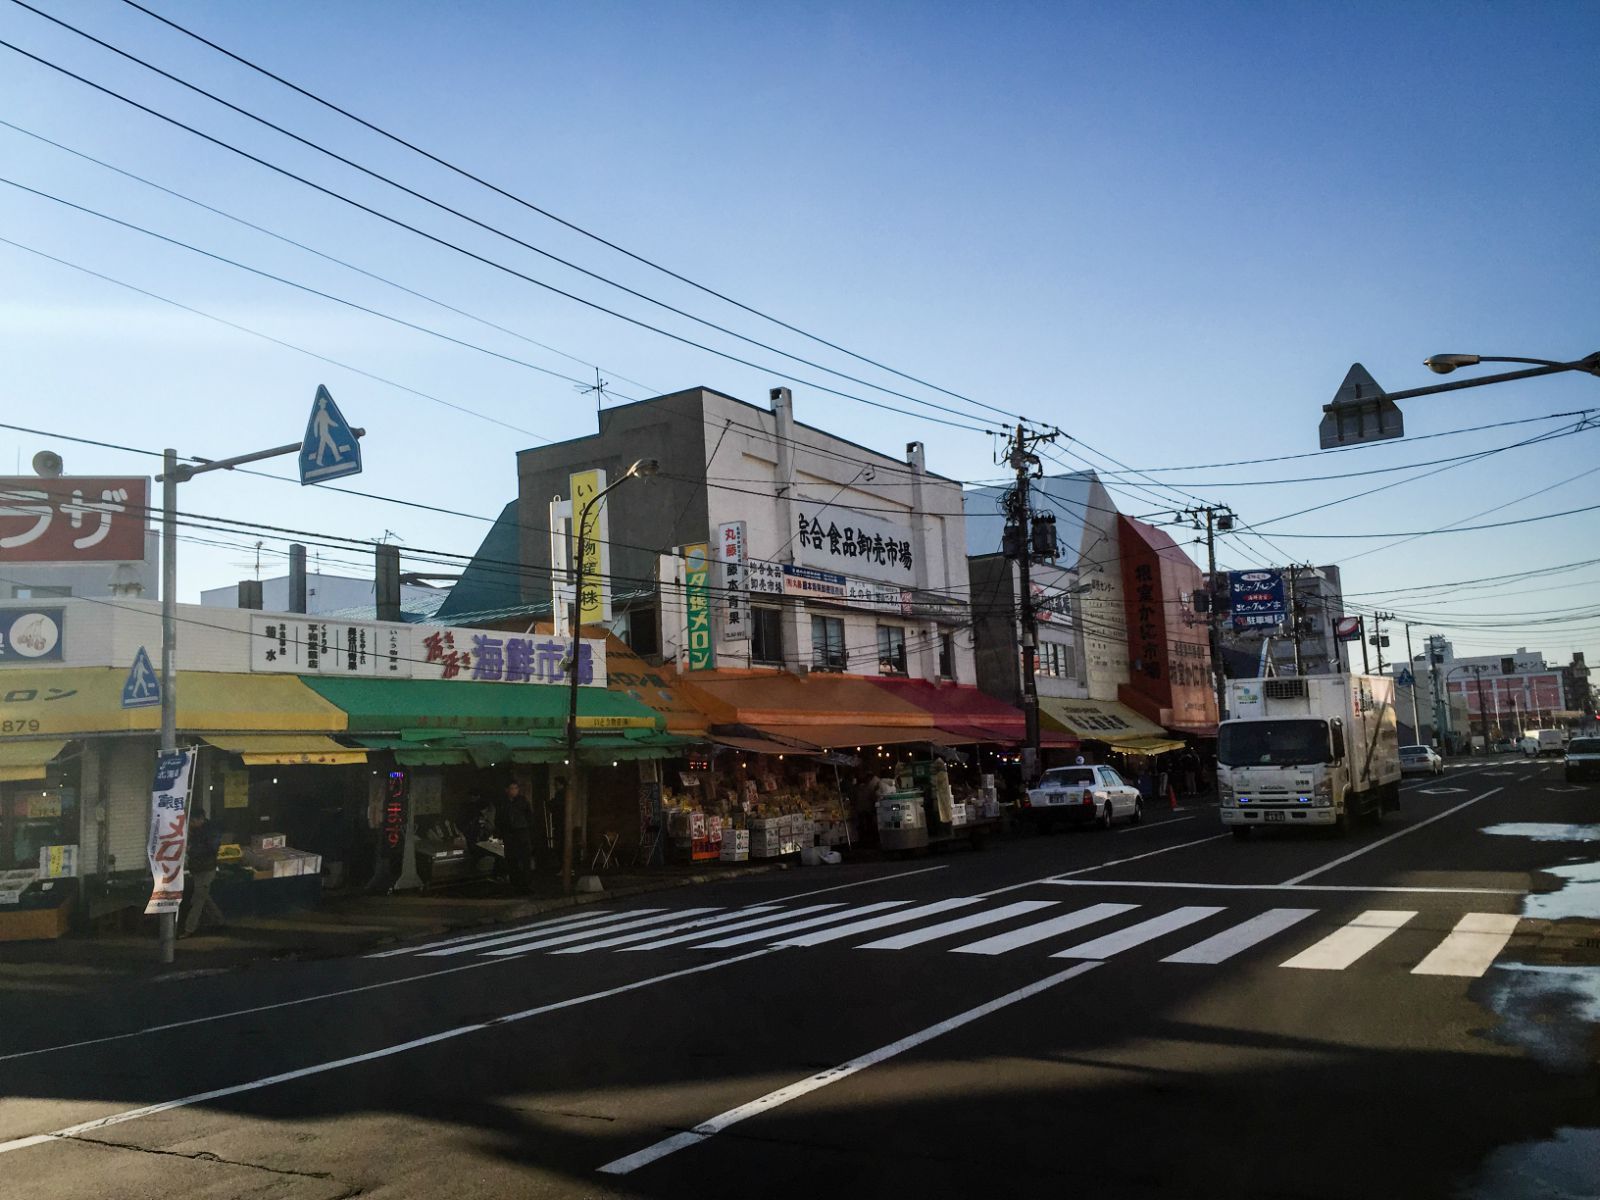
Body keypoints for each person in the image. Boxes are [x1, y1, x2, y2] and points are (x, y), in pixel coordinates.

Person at [181, 806, 225, 937]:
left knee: (198, 899)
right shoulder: (196, 831)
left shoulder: (211, 831)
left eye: (193, 821)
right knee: (204, 896)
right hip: (198, 869)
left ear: (201, 819)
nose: (192, 824)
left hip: (207, 868)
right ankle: (219, 920)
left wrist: (191, 849)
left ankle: (189, 929)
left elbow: (211, 848)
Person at [498, 780, 535, 892]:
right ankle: (515, 883)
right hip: (509, 834)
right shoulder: (503, 803)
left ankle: (526, 883)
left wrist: (528, 830)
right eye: (512, 788)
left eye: (516, 788)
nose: (514, 791)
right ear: (507, 790)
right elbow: (500, 818)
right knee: (511, 859)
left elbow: (529, 816)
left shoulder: (522, 801)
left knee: (525, 859)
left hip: (521, 832)